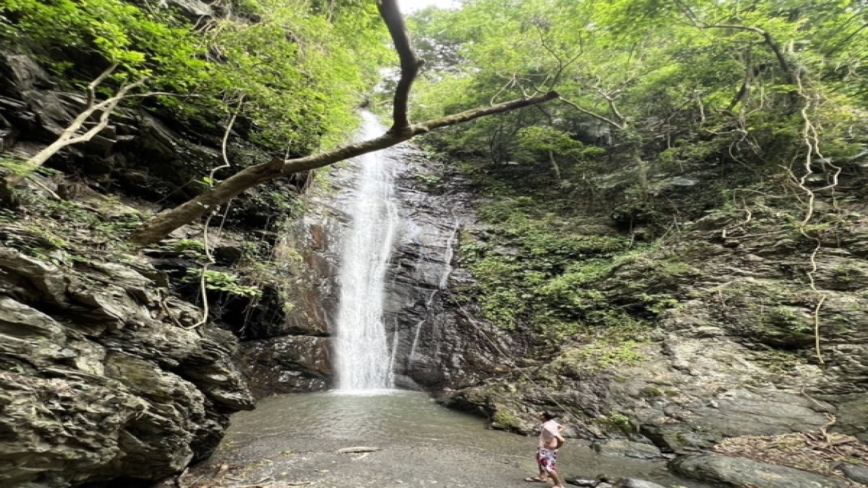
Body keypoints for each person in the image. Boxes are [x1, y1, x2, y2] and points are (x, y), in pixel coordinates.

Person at [525, 410, 565, 488]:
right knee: (539, 459)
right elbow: (562, 427)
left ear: (544, 417)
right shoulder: (551, 421)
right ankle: (542, 476)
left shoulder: (548, 427)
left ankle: (558, 484)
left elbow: (562, 440)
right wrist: (553, 435)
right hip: (542, 446)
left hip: (547, 450)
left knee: (549, 467)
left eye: (541, 413)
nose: (539, 413)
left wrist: (555, 446)